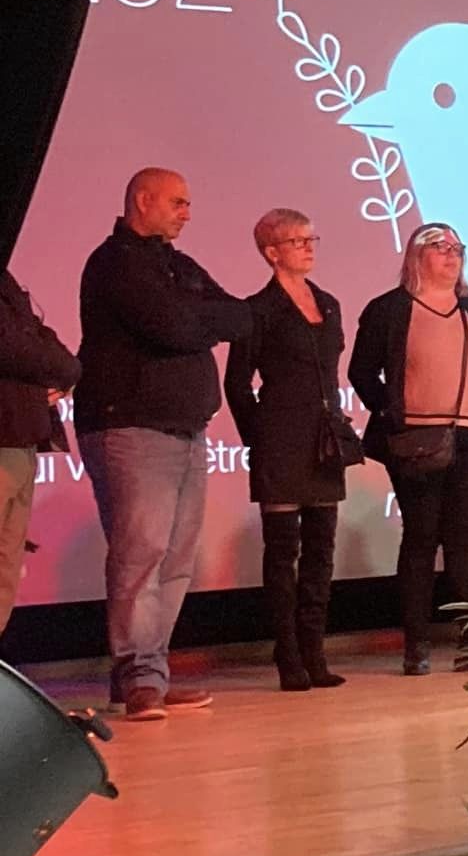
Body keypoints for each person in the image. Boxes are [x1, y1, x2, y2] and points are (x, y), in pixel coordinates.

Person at [74, 168, 252, 720]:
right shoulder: (114, 263)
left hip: (186, 429)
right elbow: (171, 327)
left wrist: (195, 316)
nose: (186, 213)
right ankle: (139, 678)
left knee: (174, 561)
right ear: (143, 200)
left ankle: (147, 673)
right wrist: (197, 318)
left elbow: (240, 316)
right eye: (177, 202)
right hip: (130, 427)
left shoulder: (179, 265)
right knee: (140, 555)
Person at [350, 222, 468, 676]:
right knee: (420, 538)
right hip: (416, 441)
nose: (452, 255)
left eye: (457, 247)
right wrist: (393, 414)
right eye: (440, 247)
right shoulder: (390, 309)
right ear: (416, 256)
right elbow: (361, 372)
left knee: (464, 541)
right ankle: (417, 644)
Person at [223, 210, 352, 692]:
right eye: (297, 241)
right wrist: (259, 435)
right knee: (283, 553)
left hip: (324, 439)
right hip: (279, 438)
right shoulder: (257, 310)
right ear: (272, 252)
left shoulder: (329, 304)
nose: (308, 247)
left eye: (311, 238)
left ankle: (315, 650)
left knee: (322, 549)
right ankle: (288, 654)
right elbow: (237, 384)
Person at [0, 270, 80, 639]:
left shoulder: (7, 281)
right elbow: (13, 347)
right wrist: (61, 367)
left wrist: (64, 369)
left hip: (23, 436)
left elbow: (49, 345)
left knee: (7, 564)